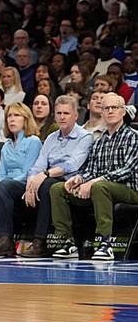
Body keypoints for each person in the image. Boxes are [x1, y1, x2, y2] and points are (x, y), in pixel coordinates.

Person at [50, 94, 138, 261]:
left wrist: (94, 181)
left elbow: (128, 170)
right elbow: (91, 170)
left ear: (123, 111)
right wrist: (79, 179)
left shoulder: (134, 136)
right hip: (102, 189)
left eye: (114, 107)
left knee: (99, 187)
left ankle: (105, 243)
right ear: (102, 113)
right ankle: (67, 242)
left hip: (131, 189)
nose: (110, 111)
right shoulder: (98, 141)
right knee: (58, 189)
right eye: (106, 108)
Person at [20, 95, 93, 257]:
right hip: (49, 177)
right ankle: (9, 238)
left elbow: (72, 165)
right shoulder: (51, 138)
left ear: (75, 116)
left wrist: (45, 174)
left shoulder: (85, 136)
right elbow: (39, 164)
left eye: (66, 113)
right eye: (59, 113)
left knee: (46, 185)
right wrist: (31, 182)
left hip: (71, 180)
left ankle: (40, 241)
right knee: (17, 187)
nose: (62, 117)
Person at [0, 103, 43, 256]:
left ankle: (6, 239)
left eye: (16, 115)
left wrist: (5, 182)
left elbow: (28, 172)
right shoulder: (6, 145)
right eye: (9, 116)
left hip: (25, 184)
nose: (11, 119)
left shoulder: (33, 141)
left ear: (26, 119)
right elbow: (0, 174)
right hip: (6, 185)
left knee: (4, 186)